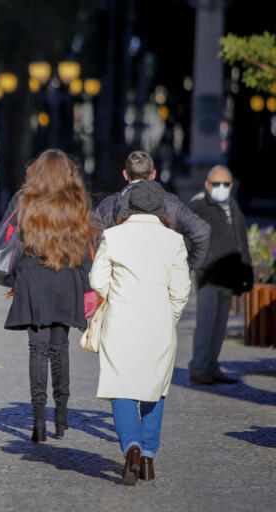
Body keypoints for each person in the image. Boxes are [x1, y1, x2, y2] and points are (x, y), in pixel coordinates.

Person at [90, 179, 191, 485]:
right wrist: (170, 315)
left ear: (130, 206)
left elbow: (97, 280)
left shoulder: (113, 236)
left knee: (121, 387)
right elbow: (181, 290)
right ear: (161, 209)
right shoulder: (173, 241)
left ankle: (130, 446)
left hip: (121, 322)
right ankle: (148, 455)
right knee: (155, 387)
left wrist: (116, 295)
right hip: (159, 323)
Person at [1, 149, 99, 443]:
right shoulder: (78, 202)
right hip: (67, 278)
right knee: (60, 347)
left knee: (37, 349)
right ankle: (61, 415)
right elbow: (86, 247)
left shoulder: (25, 201)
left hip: (33, 278)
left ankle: (37, 421)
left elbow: (9, 240)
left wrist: (13, 279)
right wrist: (88, 288)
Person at [187, 165, 253, 385]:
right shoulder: (198, 206)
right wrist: (198, 262)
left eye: (225, 184)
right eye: (217, 184)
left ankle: (212, 366)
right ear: (207, 185)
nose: (221, 188)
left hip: (229, 275)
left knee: (220, 326)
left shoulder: (233, 206)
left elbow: (241, 239)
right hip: (208, 275)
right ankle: (198, 367)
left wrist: (247, 270)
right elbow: (187, 238)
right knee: (206, 323)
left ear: (231, 185)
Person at [96, 151, 210, 270]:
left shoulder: (108, 205)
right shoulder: (170, 202)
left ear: (125, 174)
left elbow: (96, 244)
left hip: (121, 281)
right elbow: (202, 232)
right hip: (162, 280)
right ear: (154, 174)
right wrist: (187, 268)